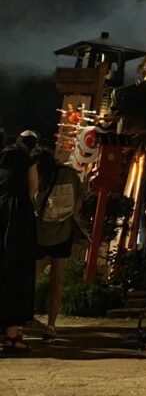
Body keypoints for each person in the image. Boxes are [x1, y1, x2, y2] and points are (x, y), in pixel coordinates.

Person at [33, 148, 83, 341]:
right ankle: (51, 325)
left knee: (31, 279)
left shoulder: (40, 177)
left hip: (42, 235)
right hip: (63, 233)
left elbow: (35, 204)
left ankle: (22, 318)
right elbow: (78, 200)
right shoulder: (69, 173)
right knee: (57, 280)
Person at [0, 129, 38, 352]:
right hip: (19, 218)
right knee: (17, 271)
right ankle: (12, 336)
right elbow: (33, 188)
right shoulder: (25, 159)